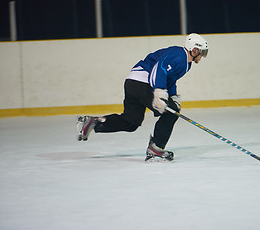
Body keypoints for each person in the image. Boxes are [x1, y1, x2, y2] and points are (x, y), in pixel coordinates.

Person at [76, 33, 209, 161]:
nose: (202, 56)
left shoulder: (186, 63)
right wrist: (159, 92)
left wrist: (173, 96)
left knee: (131, 121)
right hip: (143, 82)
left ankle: (93, 122)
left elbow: (170, 79)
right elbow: (159, 68)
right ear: (194, 50)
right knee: (171, 112)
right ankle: (156, 148)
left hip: (133, 82)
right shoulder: (179, 55)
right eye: (202, 52)